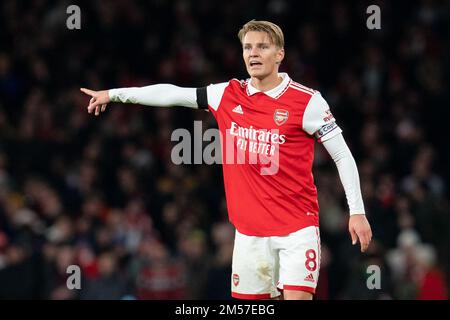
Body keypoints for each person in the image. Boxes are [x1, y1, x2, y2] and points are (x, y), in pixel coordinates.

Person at [80, 20, 372, 300]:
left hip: (297, 229)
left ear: (280, 54)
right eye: (247, 47)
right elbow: (172, 93)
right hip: (248, 234)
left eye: (262, 47)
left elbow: (342, 154)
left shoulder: (307, 101)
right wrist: (113, 94)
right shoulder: (227, 94)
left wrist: (356, 211)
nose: (253, 53)